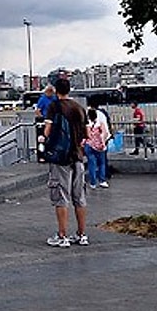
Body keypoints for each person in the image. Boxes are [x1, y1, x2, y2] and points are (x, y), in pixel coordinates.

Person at [43, 78, 89, 248]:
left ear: (56, 90)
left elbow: (47, 132)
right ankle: (82, 234)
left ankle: (62, 236)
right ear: (69, 89)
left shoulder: (54, 107)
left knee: (61, 195)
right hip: (78, 156)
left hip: (61, 157)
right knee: (79, 196)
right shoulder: (79, 107)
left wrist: (44, 138)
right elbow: (87, 134)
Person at [84, 108, 111, 189]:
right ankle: (102, 180)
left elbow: (87, 135)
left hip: (89, 145)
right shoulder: (100, 122)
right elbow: (105, 132)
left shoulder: (87, 124)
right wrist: (103, 142)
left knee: (91, 164)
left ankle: (93, 183)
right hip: (100, 146)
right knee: (102, 163)